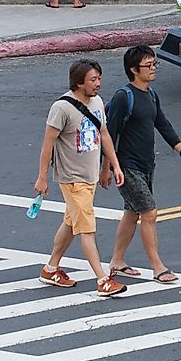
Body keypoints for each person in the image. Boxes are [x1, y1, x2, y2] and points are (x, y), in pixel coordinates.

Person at [105, 45, 181, 284]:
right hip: (126, 165)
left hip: (147, 164)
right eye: (148, 65)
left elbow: (162, 124)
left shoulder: (151, 94)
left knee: (132, 211)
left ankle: (117, 260)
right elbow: (109, 133)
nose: (153, 69)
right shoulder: (122, 97)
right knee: (149, 212)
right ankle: (157, 267)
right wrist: (107, 167)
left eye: (154, 64)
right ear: (133, 70)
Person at [34, 59, 127, 297]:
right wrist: (42, 177)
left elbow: (104, 135)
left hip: (89, 177)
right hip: (72, 178)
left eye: (99, 78)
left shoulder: (96, 103)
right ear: (78, 83)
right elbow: (47, 145)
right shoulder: (62, 108)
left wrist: (114, 166)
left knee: (71, 223)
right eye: (93, 80)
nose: (98, 84)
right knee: (86, 229)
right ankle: (102, 279)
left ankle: (51, 268)